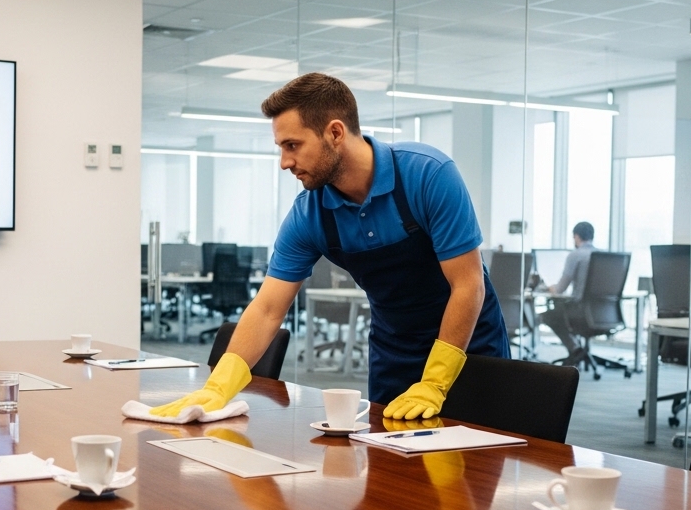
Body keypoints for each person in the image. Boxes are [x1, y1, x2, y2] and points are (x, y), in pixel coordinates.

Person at [151, 73, 510, 422]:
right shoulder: (310, 215)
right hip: (395, 349)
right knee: (391, 472)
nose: (285, 162)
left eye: (293, 145)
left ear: (335, 132)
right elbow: (267, 309)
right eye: (281, 148)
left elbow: (468, 286)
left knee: (476, 468)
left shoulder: (427, 175)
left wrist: (434, 382)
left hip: (469, 345)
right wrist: (218, 387)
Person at [537, 221, 595, 364]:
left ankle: (575, 349)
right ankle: (578, 350)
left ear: (576, 236)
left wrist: (548, 287)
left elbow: (559, 289)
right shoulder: (604, 256)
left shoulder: (575, 255)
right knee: (560, 312)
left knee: (549, 315)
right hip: (601, 313)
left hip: (580, 312)